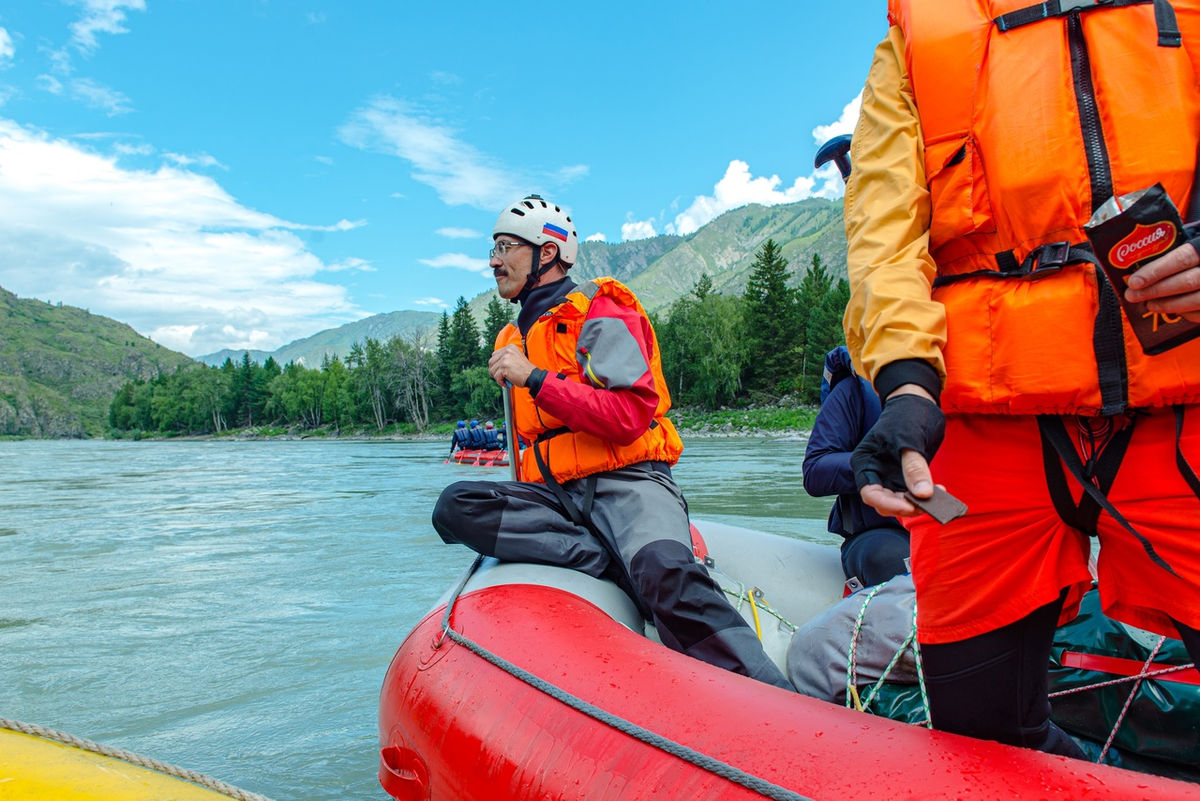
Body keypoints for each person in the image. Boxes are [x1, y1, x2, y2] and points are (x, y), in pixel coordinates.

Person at [843, 2, 1200, 758]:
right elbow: (883, 231)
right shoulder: (916, 38)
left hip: (1184, 403)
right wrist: (907, 385)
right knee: (980, 741)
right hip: (986, 423)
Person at [433, 194, 790, 689]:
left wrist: (535, 378)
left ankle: (774, 695)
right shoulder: (509, 338)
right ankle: (611, 562)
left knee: (667, 572)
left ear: (548, 252)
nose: (493, 261)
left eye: (504, 247)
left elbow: (627, 416)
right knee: (457, 506)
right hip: (557, 496)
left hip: (628, 480)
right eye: (492, 249)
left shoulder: (599, 308)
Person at [803, 346, 909, 590]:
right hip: (881, 533)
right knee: (885, 557)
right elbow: (815, 470)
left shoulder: (971, 386)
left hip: (953, 528)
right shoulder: (853, 390)